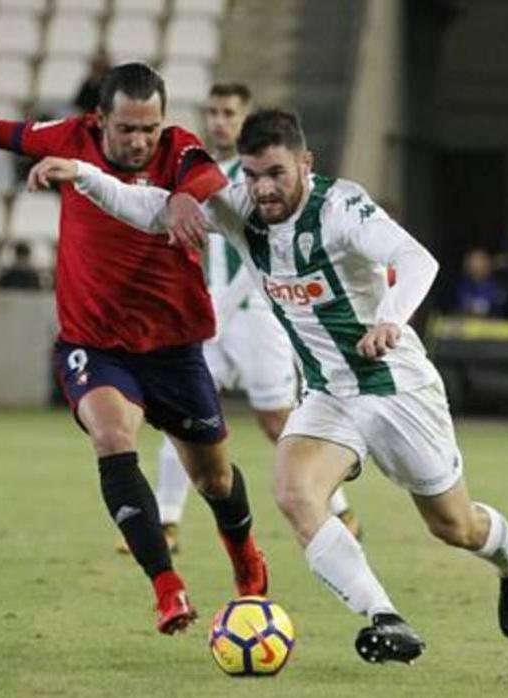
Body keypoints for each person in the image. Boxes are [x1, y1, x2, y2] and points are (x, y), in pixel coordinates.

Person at [35, 108, 508, 664]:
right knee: (295, 493)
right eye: (252, 175)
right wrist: (86, 177)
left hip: (395, 386)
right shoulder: (242, 208)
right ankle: (385, 617)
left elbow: (416, 259)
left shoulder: (341, 207)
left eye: (275, 173)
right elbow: (156, 210)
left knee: (454, 526)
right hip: (327, 393)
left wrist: (390, 317)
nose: (263, 188)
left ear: (305, 162)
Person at [0, 62, 269, 636]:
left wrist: (183, 197)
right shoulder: (68, 137)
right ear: (100, 119)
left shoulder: (180, 147)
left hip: (173, 346)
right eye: (127, 129)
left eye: (148, 129)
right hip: (96, 343)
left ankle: (245, 555)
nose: (138, 141)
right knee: (112, 436)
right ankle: (167, 587)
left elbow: (205, 177)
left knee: (215, 480)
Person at [121, 83, 362, 557]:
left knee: (278, 421)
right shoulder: (194, 172)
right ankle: (167, 522)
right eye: (211, 112)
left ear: (245, 118)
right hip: (203, 317)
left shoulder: (260, 178)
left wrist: (223, 304)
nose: (219, 122)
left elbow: (270, 253)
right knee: (179, 415)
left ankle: (339, 508)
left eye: (229, 113)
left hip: (254, 316)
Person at [451, 248, 505, 316]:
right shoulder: (458, 287)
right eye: (471, 260)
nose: (474, 264)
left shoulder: (498, 289)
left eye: (479, 260)